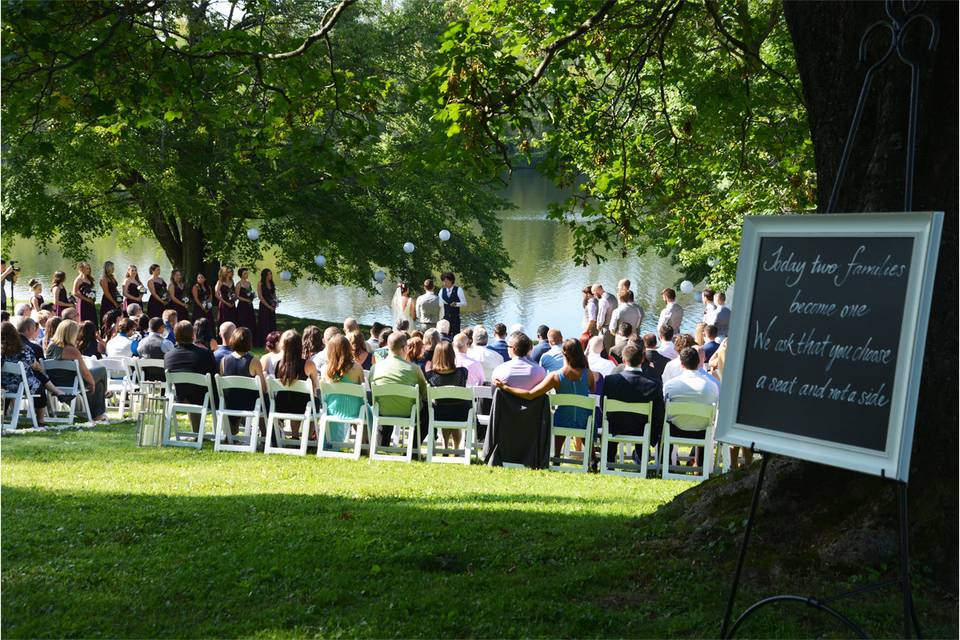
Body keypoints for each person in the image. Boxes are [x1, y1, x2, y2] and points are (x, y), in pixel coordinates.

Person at [494, 338, 596, 456]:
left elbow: (530, 395)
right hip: (584, 422)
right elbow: (591, 392)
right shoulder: (588, 374)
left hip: (561, 421)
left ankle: (556, 456)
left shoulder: (555, 376)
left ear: (563, 353)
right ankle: (593, 457)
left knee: (562, 415)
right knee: (580, 415)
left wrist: (505, 387)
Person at [602, 342, 666, 462]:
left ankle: (609, 462)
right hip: (642, 428)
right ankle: (642, 459)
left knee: (611, 420)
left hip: (616, 427)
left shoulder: (610, 381)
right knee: (647, 422)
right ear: (642, 359)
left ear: (623, 360)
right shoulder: (653, 384)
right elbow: (659, 412)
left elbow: (603, 405)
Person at [2, 321, 70, 426]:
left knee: (35, 378)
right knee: (39, 386)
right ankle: (41, 420)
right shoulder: (24, 349)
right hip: (22, 385)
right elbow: (34, 365)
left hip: (3, 385)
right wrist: (42, 371)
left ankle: (5, 415)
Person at [368, 331, 429, 446]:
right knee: (429, 410)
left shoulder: (375, 368)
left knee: (385, 401)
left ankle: (382, 445)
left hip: (383, 411)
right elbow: (425, 393)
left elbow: (372, 389)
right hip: (409, 412)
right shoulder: (414, 369)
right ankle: (414, 447)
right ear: (405, 348)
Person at [663, 347, 720, 465]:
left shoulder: (670, 385)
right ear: (699, 361)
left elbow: (664, 409)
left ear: (681, 364)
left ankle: (667, 463)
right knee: (705, 423)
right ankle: (700, 466)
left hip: (676, 430)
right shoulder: (712, 386)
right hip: (702, 431)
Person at [45, 320, 109, 422]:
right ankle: (105, 395)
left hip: (54, 382)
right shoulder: (71, 350)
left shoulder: (50, 347)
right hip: (71, 382)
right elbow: (84, 372)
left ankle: (97, 415)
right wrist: (92, 382)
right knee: (101, 370)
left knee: (98, 384)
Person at [164, 320, 219, 434]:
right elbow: (215, 376)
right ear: (193, 335)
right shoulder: (205, 354)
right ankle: (229, 432)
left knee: (191, 390)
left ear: (175, 335)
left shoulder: (168, 356)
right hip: (204, 399)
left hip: (180, 398)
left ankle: (197, 432)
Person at [272, 329, 322, 440]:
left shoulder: (277, 365)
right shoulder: (308, 364)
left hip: (281, 405)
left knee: (292, 397)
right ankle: (308, 437)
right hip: (303, 406)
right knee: (315, 401)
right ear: (299, 345)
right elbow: (316, 386)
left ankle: (294, 436)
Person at [320, 334, 367, 446]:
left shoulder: (325, 370)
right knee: (367, 410)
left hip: (332, 409)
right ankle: (365, 443)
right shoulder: (357, 368)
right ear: (348, 349)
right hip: (354, 410)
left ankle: (330, 443)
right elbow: (361, 391)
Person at [219, 326, 266, 436]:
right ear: (249, 341)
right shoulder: (254, 361)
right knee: (266, 401)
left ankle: (231, 430)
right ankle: (265, 434)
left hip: (229, 402)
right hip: (249, 404)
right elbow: (263, 389)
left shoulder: (223, 361)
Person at [426, 341, 471, 450]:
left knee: (445, 406)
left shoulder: (431, 375)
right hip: (461, 414)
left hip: (440, 414)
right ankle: (455, 449)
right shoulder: (462, 372)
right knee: (454, 406)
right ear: (452, 355)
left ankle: (445, 447)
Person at [256, 268, 278, 347]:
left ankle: (273, 341)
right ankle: (263, 342)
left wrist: (275, 303)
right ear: (265, 275)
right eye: (269, 274)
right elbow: (260, 297)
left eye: (271, 274)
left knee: (272, 322)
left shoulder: (271, 283)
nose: (270, 276)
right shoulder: (260, 283)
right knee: (264, 323)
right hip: (264, 306)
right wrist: (268, 306)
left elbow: (274, 294)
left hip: (271, 306)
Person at [593, 283, 618, 352]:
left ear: (596, 290)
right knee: (613, 348)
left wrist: (598, 326)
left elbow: (601, 316)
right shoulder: (612, 296)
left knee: (604, 349)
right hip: (615, 326)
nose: (594, 296)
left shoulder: (603, 300)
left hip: (606, 328)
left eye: (594, 293)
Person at [99, 261, 121, 330]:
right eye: (112, 267)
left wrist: (119, 299)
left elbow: (115, 288)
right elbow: (107, 293)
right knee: (108, 318)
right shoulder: (103, 278)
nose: (114, 269)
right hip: (108, 301)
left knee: (116, 317)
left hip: (115, 298)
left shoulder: (112, 276)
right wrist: (114, 302)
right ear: (108, 268)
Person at [235, 267, 257, 336]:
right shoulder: (238, 284)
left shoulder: (249, 283)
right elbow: (237, 296)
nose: (246, 275)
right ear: (241, 275)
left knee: (251, 320)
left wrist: (252, 297)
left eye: (247, 273)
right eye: (245, 273)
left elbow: (250, 293)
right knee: (243, 321)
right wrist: (246, 300)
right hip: (242, 305)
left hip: (249, 305)